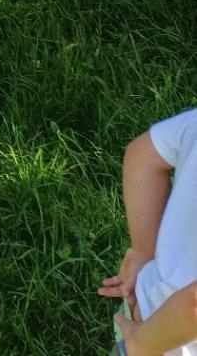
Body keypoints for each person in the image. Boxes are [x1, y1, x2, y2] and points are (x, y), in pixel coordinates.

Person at [98, 108, 197, 356]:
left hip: (147, 306)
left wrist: (143, 253)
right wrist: (141, 345)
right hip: (168, 344)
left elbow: (142, 155)